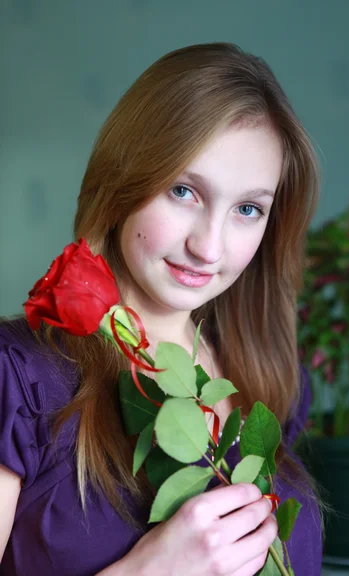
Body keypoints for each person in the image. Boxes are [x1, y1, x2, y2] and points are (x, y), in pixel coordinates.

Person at [0, 42, 322, 575]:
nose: (209, 247)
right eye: (183, 190)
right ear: (125, 179)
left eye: (248, 209)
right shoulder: (17, 382)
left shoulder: (271, 381)